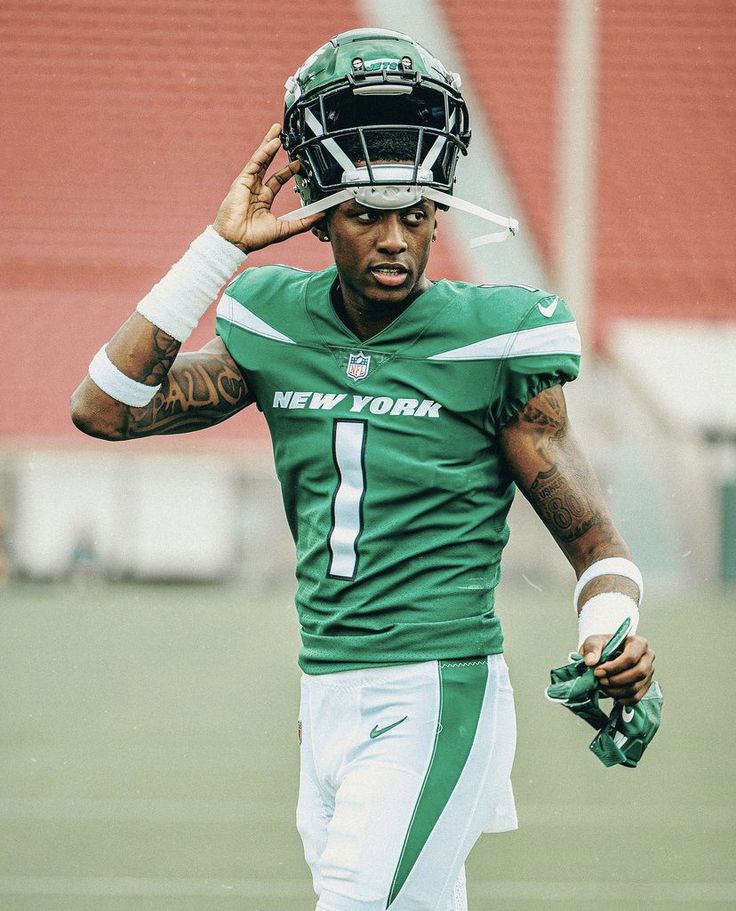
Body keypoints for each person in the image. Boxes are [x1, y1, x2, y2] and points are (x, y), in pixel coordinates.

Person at [71, 28, 655, 911]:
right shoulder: (272, 321)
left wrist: (607, 628)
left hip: (437, 689)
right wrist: (218, 250)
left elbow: (598, 543)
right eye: (366, 214)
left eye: (414, 214)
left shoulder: (492, 338)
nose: (394, 239)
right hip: (326, 695)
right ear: (319, 215)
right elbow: (104, 406)